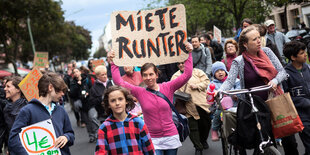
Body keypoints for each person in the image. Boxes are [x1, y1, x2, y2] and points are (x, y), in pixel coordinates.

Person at [108, 43, 193, 155]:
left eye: (151, 74)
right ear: (142, 76)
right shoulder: (139, 91)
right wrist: (113, 63)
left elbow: (187, 74)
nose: (148, 78)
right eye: (145, 75)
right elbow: (119, 82)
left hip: (171, 136)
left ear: (157, 75)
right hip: (152, 138)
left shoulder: (168, 87)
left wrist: (189, 53)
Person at [218, 25, 287, 153]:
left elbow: (282, 72)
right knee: (257, 139)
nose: (259, 41)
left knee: (285, 137)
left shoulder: (267, 52)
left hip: (273, 101)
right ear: (245, 44)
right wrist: (219, 91)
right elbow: (229, 80)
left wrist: (275, 81)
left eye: (259, 38)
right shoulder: (239, 61)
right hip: (252, 106)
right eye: (254, 39)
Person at [8, 72, 75, 155]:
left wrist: (66, 137)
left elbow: (70, 134)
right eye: (60, 90)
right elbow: (13, 139)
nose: (63, 94)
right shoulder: (27, 111)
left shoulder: (61, 110)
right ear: (50, 87)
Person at [95, 85, 155, 154]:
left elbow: (149, 149)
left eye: (120, 99)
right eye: (113, 101)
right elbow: (101, 152)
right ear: (108, 104)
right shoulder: (104, 128)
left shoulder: (138, 123)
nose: (117, 103)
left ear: (126, 101)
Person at [171, 62, 210, 155]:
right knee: (192, 127)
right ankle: (198, 147)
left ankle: (203, 140)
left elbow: (206, 81)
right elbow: (172, 88)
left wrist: (198, 86)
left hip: (201, 104)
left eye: (183, 63)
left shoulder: (198, 72)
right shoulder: (175, 76)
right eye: (179, 64)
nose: (181, 65)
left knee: (205, 124)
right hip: (187, 105)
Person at [282, 41, 310, 155]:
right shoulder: (285, 74)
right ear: (293, 57)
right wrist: (303, 101)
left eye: (305, 52)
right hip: (300, 115)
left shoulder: (308, 68)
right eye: (302, 53)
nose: (305, 55)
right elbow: (285, 97)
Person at [209, 62, 240, 141]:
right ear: (214, 74)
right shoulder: (212, 84)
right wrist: (213, 95)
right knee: (217, 114)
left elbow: (240, 87)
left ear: (225, 71)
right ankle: (214, 130)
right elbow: (209, 96)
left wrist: (236, 94)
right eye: (217, 71)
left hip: (236, 105)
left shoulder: (234, 80)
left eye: (222, 70)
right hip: (222, 108)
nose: (220, 72)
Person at [88, 65, 113, 142]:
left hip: (114, 112)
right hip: (103, 115)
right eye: (102, 75)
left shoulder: (111, 83)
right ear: (97, 76)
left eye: (105, 74)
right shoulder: (94, 88)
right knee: (109, 136)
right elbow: (92, 101)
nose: (105, 76)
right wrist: (102, 98)